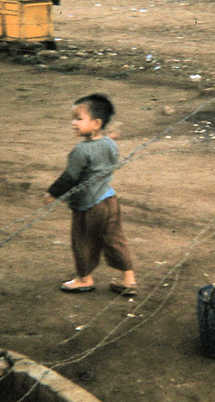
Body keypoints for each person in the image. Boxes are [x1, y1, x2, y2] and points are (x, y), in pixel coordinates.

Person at [44, 94, 137, 296]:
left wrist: (52, 194)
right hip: (109, 199)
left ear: (96, 124)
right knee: (115, 239)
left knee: (83, 240)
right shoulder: (110, 144)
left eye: (79, 119)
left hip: (88, 205)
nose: (73, 123)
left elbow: (69, 177)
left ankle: (84, 278)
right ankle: (128, 279)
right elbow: (105, 156)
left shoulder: (80, 150)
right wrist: (107, 138)